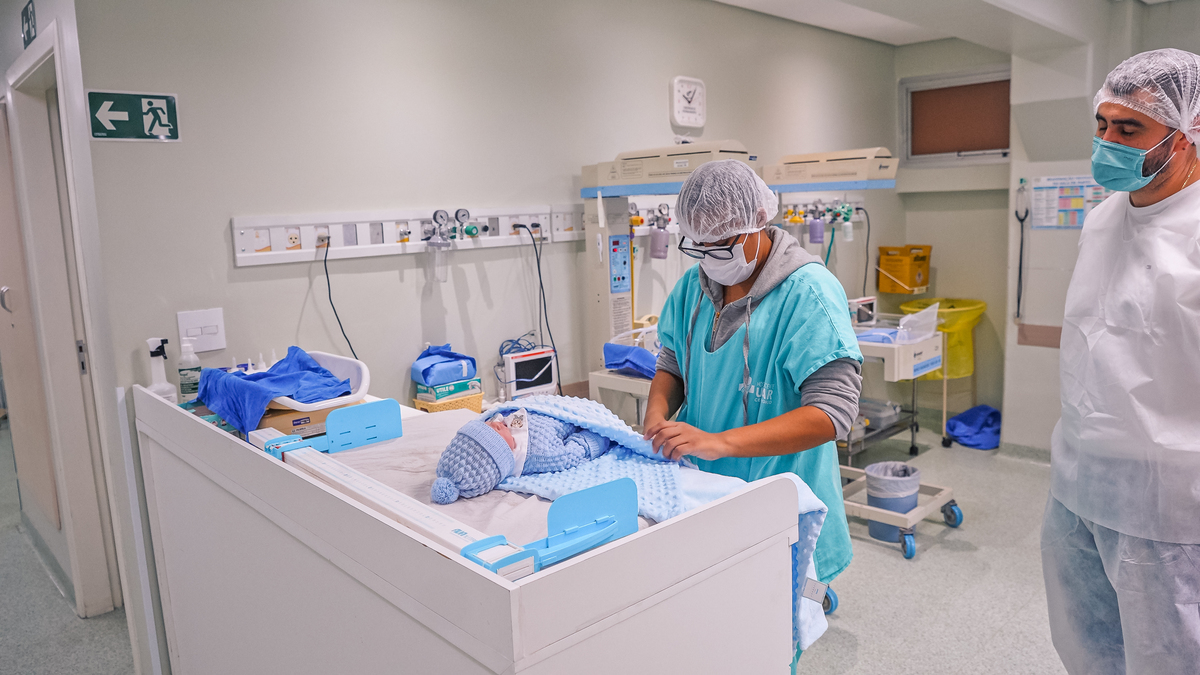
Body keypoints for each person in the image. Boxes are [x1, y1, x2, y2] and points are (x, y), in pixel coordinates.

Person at [1042, 48, 1200, 674]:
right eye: (1102, 125)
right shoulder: (1104, 219)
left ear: (1186, 135)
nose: (1107, 142)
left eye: (1129, 129)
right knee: (1087, 651)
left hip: (1171, 504)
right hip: (1078, 480)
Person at [643, 159, 862, 590]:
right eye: (699, 246)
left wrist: (720, 443)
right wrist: (656, 414)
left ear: (758, 219)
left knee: (778, 623)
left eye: (722, 244)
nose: (710, 258)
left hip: (784, 503)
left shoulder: (807, 294)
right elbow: (673, 362)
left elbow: (831, 414)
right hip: (709, 493)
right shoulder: (693, 287)